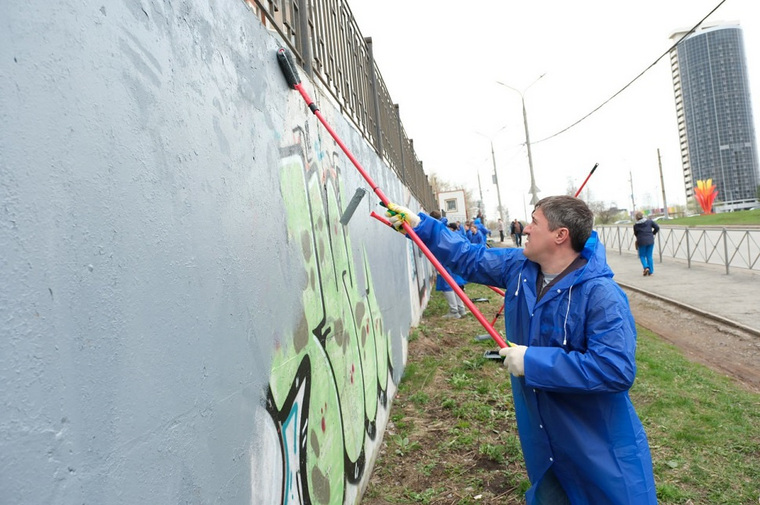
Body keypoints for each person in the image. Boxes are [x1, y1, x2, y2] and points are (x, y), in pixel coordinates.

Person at [385, 196, 657, 505]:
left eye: (534, 222)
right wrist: (422, 227)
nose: (525, 228)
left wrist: (532, 361)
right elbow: (468, 258)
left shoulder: (601, 295)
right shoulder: (521, 268)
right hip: (545, 439)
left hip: (598, 447)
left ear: (560, 235)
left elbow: (615, 369)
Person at [633, 211, 660, 276]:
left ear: (636, 218)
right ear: (643, 216)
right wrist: (653, 233)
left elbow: (636, 234)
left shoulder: (635, 225)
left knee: (642, 256)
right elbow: (657, 227)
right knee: (649, 256)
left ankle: (646, 267)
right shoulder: (649, 222)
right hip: (650, 240)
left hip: (641, 241)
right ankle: (651, 272)